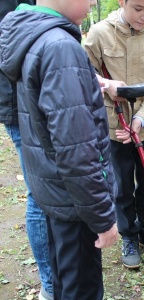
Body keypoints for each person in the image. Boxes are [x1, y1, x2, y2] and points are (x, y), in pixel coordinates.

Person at [0, 0, 119, 299]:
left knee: (66, 282)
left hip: (57, 197)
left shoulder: (36, 36)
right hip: (75, 203)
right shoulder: (60, 47)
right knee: (81, 289)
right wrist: (103, 218)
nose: (94, 1)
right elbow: (78, 150)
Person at [84, 0, 144, 269]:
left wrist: (142, 118)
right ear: (121, 2)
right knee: (121, 184)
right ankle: (129, 234)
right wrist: (107, 90)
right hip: (115, 128)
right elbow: (84, 76)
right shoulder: (99, 33)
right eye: (137, 8)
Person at [0, 1, 53, 299]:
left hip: (39, 101)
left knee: (49, 189)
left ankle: (58, 271)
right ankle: (50, 284)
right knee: (39, 194)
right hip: (20, 106)